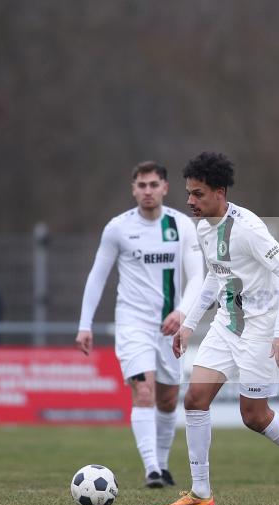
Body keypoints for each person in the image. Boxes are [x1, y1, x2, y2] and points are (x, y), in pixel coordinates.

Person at [155, 151, 279, 505]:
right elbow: (215, 274)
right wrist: (190, 323)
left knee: (254, 416)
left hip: (259, 328)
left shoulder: (249, 228)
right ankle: (200, 493)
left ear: (220, 192)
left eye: (198, 194)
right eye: (189, 193)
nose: (190, 201)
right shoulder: (204, 226)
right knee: (195, 399)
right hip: (227, 324)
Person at [77, 161, 205, 488]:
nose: (147, 191)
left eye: (153, 185)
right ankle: (151, 469)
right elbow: (97, 276)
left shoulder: (181, 225)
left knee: (166, 398)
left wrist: (182, 313)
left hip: (170, 326)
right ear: (133, 189)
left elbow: (197, 277)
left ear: (164, 188)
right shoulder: (118, 228)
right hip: (133, 324)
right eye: (141, 185)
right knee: (143, 391)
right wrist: (85, 324)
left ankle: (161, 464)